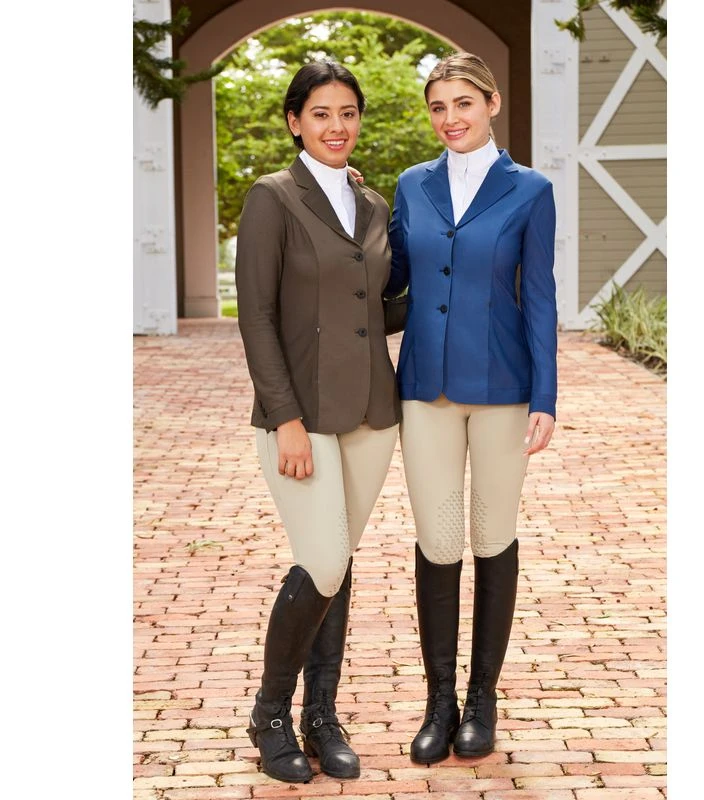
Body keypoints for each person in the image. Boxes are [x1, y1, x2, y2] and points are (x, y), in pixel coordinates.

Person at [385, 52, 557, 763]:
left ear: (491, 103)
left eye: (463, 103)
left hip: (503, 388)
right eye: (438, 106)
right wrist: (352, 214)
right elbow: (392, 273)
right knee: (437, 538)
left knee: (492, 534)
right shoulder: (410, 185)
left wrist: (546, 395)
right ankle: (439, 702)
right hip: (425, 386)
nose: (449, 118)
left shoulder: (531, 189)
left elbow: (539, 295)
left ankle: (482, 699)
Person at [235, 60, 400, 783]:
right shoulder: (271, 198)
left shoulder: (373, 205)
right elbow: (257, 317)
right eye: (322, 113)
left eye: (348, 113)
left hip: (371, 413)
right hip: (300, 416)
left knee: (335, 563)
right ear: (294, 121)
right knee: (324, 558)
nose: (337, 126)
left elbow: (375, 310)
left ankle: (321, 716)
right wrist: (286, 419)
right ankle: (270, 713)